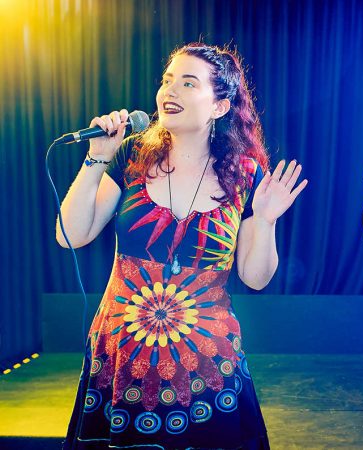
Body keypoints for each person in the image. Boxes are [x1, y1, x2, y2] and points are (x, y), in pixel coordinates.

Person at [56, 43, 307, 449]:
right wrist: (97, 159)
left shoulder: (246, 175)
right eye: (167, 80)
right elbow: (71, 234)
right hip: (121, 352)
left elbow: (256, 278)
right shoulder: (132, 156)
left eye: (188, 83)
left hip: (205, 360)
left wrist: (265, 219)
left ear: (220, 107)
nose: (170, 91)